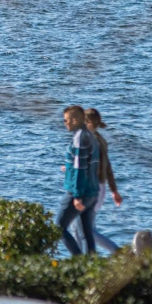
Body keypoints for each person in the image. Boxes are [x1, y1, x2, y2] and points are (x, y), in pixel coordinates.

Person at [75, 108, 123, 253]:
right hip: (99, 188)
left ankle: (118, 253)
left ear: (89, 123)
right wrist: (114, 190)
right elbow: (107, 166)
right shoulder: (100, 140)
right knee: (78, 228)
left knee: (84, 229)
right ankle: (79, 262)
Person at [56, 105, 100, 255]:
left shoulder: (80, 138)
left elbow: (81, 170)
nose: (64, 123)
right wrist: (68, 167)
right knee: (86, 233)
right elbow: (86, 164)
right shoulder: (89, 136)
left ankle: (78, 262)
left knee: (58, 227)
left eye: (66, 120)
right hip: (93, 191)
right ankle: (91, 267)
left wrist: (77, 196)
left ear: (74, 120)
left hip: (80, 192)